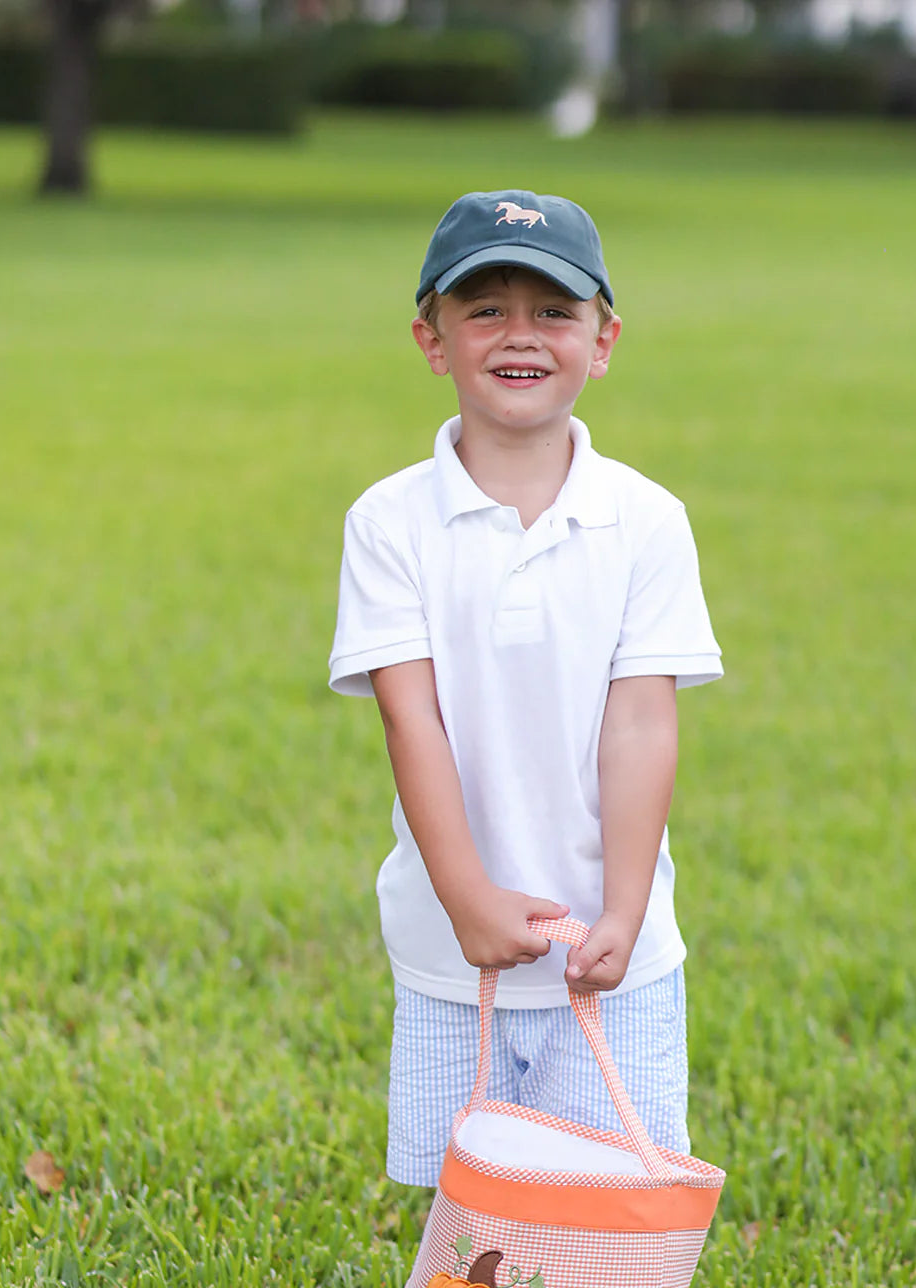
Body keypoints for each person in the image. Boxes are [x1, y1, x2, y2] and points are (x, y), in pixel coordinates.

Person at [329, 190, 722, 1188]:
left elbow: (640, 724)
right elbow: (410, 716)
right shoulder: (389, 523)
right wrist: (466, 897)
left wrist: (624, 912)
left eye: (553, 311)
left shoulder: (645, 520)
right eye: (485, 309)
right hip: (450, 951)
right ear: (432, 338)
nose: (520, 335)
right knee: (472, 1208)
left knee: (603, 1191)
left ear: (603, 339)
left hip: (611, 952)